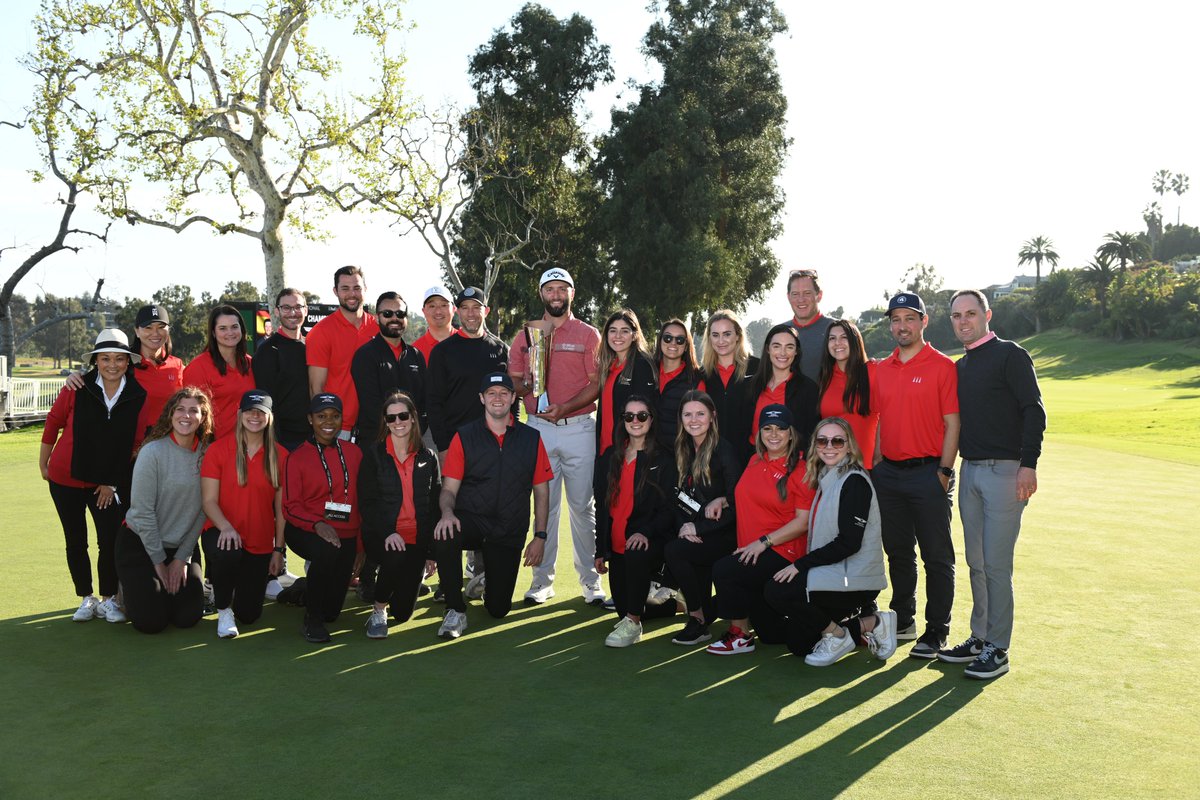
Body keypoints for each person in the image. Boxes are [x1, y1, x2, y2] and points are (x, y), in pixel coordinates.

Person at [938, 289, 1046, 679]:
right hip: (971, 471)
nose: (963, 321)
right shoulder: (960, 367)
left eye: (970, 313)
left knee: (997, 565)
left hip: (1006, 471)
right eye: (956, 316)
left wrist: (1028, 465)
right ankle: (980, 638)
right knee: (976, 562)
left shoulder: (1011, 355)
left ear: (987, 315)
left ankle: (998, 648)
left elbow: (1033, 410)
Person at [763, 417, 897, 666]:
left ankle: (837, 634)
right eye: (822, 440)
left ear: (849, 446)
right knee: (800, 644)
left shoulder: (854, 480)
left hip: (854, 579)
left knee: (777, 591)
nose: (829, 446)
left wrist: (800, 565)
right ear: (815, 444)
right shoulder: (827, 476)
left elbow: (849, 543)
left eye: (837, 440)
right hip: (833, 573)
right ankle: (872, 623)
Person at [872, 292, 960, 659]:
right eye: (896, 319)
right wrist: (876, 464)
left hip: (928, 473)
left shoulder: (942, 366)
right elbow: (878, 422)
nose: (902, 326)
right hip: (889, 474)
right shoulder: (882, 369)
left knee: (937, 557)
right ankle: (903, 620)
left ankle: (936, 631)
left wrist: (943, 470)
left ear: (924, 321)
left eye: (910, 318)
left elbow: (952, 423)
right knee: (898, 553)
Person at [508, 267, 603, 605]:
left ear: (572, 294)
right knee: (544, 508)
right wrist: (529, 382)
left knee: (581, 506)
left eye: (563, 289)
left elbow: (596, 384)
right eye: (550, 289)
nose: (556, 295)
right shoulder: (527, 335)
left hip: (577, 428)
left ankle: (591, 583)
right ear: (541, 294)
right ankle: (541, 582)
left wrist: (564, 407)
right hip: (538, 430)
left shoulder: (588, 335)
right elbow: (513, 383)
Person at [432, 373, 552, 638]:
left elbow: (542, 492)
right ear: (481, 398)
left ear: (512, 398)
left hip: (509, 528)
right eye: (491, 393)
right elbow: (449, 489)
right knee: (445, 533)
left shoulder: (531, 438)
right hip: (473, 520)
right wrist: (447, 513)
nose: (497, 398)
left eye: (503, 393)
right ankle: (455, 609)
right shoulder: (463, 436)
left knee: (498, 609)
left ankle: (486, 581)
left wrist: (540, 536)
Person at [40, 329, 148, 624]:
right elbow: (53, 423)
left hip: (104, 483)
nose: (112, 364)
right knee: (75, 541)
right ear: (96, 361)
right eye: (105, 358)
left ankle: (108, 599)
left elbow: (133, 443)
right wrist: (43, 464)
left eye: (118, 359)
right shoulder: (77, 387)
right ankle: (86, 597)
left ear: (128, 362)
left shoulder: (137, 394)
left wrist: (110, 483)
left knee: (109, 540)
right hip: (64, 478)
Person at [706, 405, 813, 654]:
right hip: (753, 549)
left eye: (780, 428)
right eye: (767, 428)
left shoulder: (802, 469)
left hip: (782, 552)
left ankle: (740, 635)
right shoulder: (755, 459)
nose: (773, 434)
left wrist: (763, 542)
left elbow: (803, 522)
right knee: (772, 635)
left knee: (724, 570)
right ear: (759, 433)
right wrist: (723, 499)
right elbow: (748, 494)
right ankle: (840, 629)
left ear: (791, 434)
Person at [117, 387, 213, 633]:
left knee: (187, 617)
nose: (186, 416)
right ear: (170, 414)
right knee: (152, 622)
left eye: (194, 411)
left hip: (181, 546)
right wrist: (160, 563)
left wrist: (181, 558)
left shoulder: (208, 455)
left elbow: (204, 510)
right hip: (140, 542)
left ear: (203, 417)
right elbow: (143, 512)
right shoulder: (152, 452)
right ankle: (128, 589)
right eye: (180, 409)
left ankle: (158, 591)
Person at [200, 390, 288, 639]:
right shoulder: (218, 450)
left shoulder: (281, 456)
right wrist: (226, 527)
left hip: (259, 543)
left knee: (249, 615)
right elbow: (208, 501)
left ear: (270, 417)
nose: (255, 416)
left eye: (261, 412)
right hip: (220, 532)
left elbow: (282, 510)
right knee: (228, 551)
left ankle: (234, 588)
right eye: (250, 410)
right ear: (240, 414)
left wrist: (278, 550)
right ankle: (224, 608)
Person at [593, 396, 678, 647]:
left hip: (649, 542)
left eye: (642, 415)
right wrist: (600, 550)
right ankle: (672, 604)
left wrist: (645, 532)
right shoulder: (610, 457)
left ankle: (634, 624)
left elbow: (669, 509)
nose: (635, 421)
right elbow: (601, 506)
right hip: (618, 546)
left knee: (630, 610)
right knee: (624, 606)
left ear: (651, 419)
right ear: (623, 421)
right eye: (629, 416)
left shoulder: (664, 459)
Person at [282, 393, 365, 643]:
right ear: (310, 419)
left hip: (347, 532)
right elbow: (290, 507)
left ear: (342, 419)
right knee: (326, 549)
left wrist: (361, 546)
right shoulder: (296, 457)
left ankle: (303, 592)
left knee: (332, 613)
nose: (328, 421)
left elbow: (361, 503)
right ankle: (311, 620)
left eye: (334, 416)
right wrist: (317, 524)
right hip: (306, 529)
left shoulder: (355, 453)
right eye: (321, 416)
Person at [358, 391, 441, 639]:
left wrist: (431, 553)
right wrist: (387, 532)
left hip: (416, 537)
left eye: (402, 415)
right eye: (390, 418)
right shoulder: (374, 455)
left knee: (403, 613)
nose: (397, 422)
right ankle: (378, 609)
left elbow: (435, 505)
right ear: (385, 421)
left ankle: (397, 585)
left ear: (413, 417)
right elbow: (367, 503)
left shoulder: (428, 457)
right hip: (382, 535)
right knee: (395, 553)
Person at [663, 390, 741, 645]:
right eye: (688, 414)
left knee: (676, 551)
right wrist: (685, 527)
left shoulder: (723, 451)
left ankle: (697, 618)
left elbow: (736, 504)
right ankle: (704, 617)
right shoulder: (683, 448)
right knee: (681, 548)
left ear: (712, 417)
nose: (693, 420)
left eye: (700, 414)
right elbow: (677, 497)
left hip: (724, 532)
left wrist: (700, 529)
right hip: (696, 528)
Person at [62, 304, 183, 429]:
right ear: (137, 331)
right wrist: (74, 377)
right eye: (148, 327)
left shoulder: (177, 365)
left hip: (168, 440)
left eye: (161, 327)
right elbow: (95, 381)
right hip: (130, 441)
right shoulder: (123, 363)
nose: (155, 333)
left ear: (168, 330)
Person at [426, 286, 509, 457]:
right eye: (465, 308)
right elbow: (434, 402)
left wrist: (510, 436)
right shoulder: (442, 352)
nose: (470, 314)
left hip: (494, 444)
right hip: (455, 444)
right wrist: (443, 446)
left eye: (476, 308)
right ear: (457, 311)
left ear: (486, 311)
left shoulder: (501, 350)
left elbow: (513, 397)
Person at [306, 265, 379, 438]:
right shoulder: (321, 332)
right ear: (335, 291)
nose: (352, 294)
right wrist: (326, 428)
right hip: (339, 428)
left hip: (377, 426)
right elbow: (316, 387)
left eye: (357, 288)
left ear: (365, 289)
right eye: (345, 289)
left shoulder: (378, 328)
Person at [351, 291, 427, 448]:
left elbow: (424, 402)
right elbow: (371, 406)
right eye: (387, 313)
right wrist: (398, 433)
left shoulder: (416, 355)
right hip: (376, 446)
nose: (395, 318)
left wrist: (415, 433)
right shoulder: (365, 355)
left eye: (400, 313)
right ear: (377, 317)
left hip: (413, 443)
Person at [184, 304, 256, 439]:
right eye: (223, 328)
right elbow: (192, 415)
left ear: (242, 329)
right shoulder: (198, 367)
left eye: (234, 327)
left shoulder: (251, 363)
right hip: (214, 448)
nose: (230, 332)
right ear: (213, 333)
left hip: (249, 446)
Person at [253, 288, 311, 450]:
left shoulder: (313, 345)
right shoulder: (267, 351)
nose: (293, 313)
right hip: (284, 440)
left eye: (298, 307)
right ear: (277, 312)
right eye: (286, 308)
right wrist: (275, 442)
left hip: (314, 435)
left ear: (305, 310)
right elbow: (266, 402)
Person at [700, 310, 759, 468]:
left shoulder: (758, 369)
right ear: (709, 338)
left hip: (751, 457)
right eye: (715, 335)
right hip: (713, 459)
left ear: (738, 335)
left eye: (727, 334)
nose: (721, 341)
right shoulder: (702, 374)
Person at [746, 324, 820, 449]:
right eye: (776, 346)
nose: (782, 353)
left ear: (796, 351)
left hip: (792, 462)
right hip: (754, 460)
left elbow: (812, 435)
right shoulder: (750, 386)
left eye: (789, 347)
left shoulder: (808, 389)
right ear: (768, 349)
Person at [817, 319, 879, 468]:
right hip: (833, 466)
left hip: (868, 466)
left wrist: (879, 457)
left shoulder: (874, 371)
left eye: (844, 337)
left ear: (855, 340)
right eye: (832, 338)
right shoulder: (826, 377)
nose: (837, 342)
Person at [595, 308, 657, 454]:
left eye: (624, 331)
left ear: (634, 335)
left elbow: (644, 415)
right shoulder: (610, 366)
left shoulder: (642, 365)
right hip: (606, 448)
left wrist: (631, 450)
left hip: (627, 451)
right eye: (612, 330)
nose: (618, 336)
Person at [653, 318, 705, 450]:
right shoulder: (646, 372)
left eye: (680, 340)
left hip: (679, 457)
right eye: (667, 338)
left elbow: (701, 425)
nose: (673, 343)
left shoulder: (696, 380)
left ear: (686, 346)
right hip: (647, 456)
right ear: (660, 341)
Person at [784, 269, 833, 383]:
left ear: (819, 295)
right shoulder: (778, 334)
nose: (801, 299)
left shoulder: (838, 330)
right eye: (795, 294)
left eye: (807, 293)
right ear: (788, 297)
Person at [412, 285, 459, 366]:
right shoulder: (413, 352)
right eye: (432, 306)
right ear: (424, 311)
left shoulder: (469, 344)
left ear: (454, 309)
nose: (438, 312)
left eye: (444, 305)